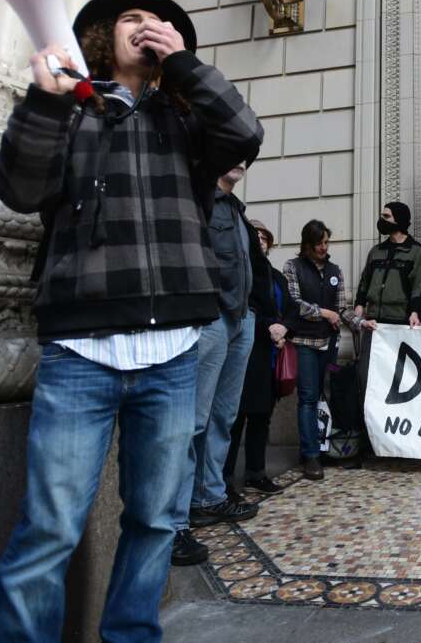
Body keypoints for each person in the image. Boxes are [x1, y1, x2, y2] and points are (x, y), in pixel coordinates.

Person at [0, 0, 263, 641]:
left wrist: (188, 67)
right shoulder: (69, 109)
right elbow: (20, 188)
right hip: (80, 354)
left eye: (158, 22)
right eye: (133, 18)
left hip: (171, 356)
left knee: (156, 519)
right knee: (50, 527)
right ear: (104, 36)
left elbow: (245, 131)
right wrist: (47, 99)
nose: (147, 26)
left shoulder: (188, 121)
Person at [172, 160, 276, 564]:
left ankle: (209, 495)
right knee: (193, 420)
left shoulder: (236, 210)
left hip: (241, 318)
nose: (240, 160)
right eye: (231, 151)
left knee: (222, 417)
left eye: (246, 156)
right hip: (211, 317)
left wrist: (252, 312)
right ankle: (176, 519)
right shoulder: (201, 198)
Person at [285, 219, 364, 480]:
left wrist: (362, 323)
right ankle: (310, 456)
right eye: (319, 243)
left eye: (326, 242)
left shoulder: (334, 270)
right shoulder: (292, 267)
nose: (323, 247)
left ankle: (323, 446)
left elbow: (343, 309)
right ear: (307, 244)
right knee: (307, 397)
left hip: (328, 344)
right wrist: (322, 313)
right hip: (304, 343)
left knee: (323, 396)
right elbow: (294, 304)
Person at [223, 220, 290, 500]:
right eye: (256, 236)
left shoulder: (276, 276)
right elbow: (245, 309)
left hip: (270, 354)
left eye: (265, 237)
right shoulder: (241, 272)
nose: (261, 240)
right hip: (245, 351)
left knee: (262, 415)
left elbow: (289, 308)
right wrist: (268, 328)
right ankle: (223, 479)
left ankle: (256, 472)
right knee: (235, 417)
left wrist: (285, 328)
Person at [354, 201, 421, 328]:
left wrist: (415, 312)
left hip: (400, 322)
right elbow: (365, 281)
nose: (382, 220)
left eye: (386, 217)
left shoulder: (416, 251)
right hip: (373, 322)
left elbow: (418, 286)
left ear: (399, 219)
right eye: (382, 216)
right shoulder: (376, 251)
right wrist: (359, 304)